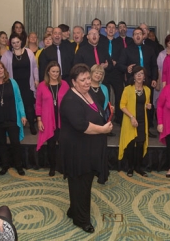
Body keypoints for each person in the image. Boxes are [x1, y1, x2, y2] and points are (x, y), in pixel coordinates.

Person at [59, 63, 112, 233]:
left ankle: (74, 210)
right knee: (80, 184)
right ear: (73, 82)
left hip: (87, 148)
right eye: (83, 80)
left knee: (82, 183)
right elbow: (82, 125)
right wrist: (103, 129)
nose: (87, 82)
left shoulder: (88, 93)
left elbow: (96, 113)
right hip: (76, 150)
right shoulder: (69, 100)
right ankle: (81, 220)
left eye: (88, 78)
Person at [0, 61, 27, 176]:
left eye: (1, 68)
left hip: (12, 117)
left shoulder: (12, 82)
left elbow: (19, 99)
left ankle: (19, 165)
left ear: (4, 69)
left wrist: (23, 115)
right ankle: (5, 165)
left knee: (15, 143)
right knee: (1, 144)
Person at [117, 27, 158, 137]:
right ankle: (130, 126)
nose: (138, 36)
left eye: (140, 34)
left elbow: (154, 66)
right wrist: (126, 68)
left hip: (147, 82)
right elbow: (119, 65)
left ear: (143, 35)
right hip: (132, 83)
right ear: (133, 36)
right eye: (135, 34)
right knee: (133, 105)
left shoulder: (150, 49)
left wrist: (154, 79)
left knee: (147, 105)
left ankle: (147, 128)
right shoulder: (126, 50)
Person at [35, 61, 70, 176]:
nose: (55, 74)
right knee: (51, 146)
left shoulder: (65, 84)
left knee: (63, 145)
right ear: (48, 72)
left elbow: (70, 101)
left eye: (57, 72)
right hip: (48, 120)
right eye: (53, 71)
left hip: (63, 120)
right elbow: (38, 104)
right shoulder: (41, 85)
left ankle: (63, 166)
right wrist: (39, 120)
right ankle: (52, 167)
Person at [2, 34, 39, 135]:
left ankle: (32, 125)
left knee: (29, 106)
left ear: (21, 42)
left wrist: (36, 79)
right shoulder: (7, 55)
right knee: (14, 106)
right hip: (14, 85)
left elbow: (35, 67)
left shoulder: (29, 52)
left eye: (17, 42)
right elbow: (2, 69)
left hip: (28, 84)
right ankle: (16, 127)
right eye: (13, 43)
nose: (16, 44)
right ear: (11, 44)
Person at [119, 66, 152, 177]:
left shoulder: (147, 90)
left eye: (141, 73)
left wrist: (148, 106)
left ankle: (138, 167)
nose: (139, 75)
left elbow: (146, 104)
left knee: (140, 144)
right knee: (130, 144)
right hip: (130, 120)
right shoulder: (127, 89)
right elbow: (122, 106)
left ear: (144, 77)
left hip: (142, 121)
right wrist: (132, 117)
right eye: (136, 73)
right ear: (133, 76)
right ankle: (130, 168)